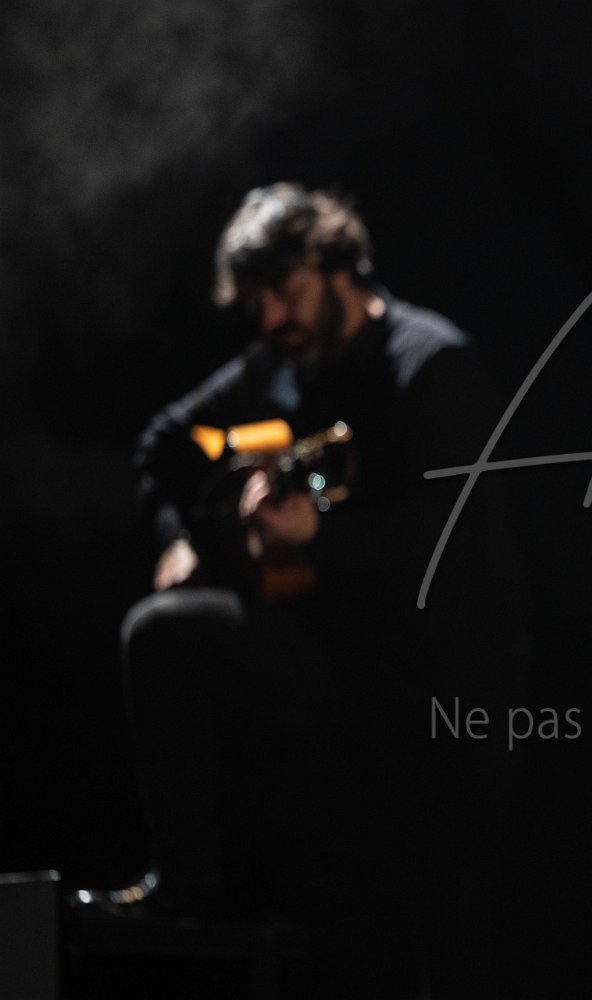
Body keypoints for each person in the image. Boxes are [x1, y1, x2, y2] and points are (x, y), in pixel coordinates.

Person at [72, 181, 526, 997]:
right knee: (160, 630)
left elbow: (460, 545)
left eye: (285, 292)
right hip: (339, 664)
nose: (272, 316)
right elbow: (163, 445)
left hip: (447, 688)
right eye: (257, 303)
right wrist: (179, 540)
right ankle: (184, 887)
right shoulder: (281, 365)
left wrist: (321, 536)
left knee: (448, 934)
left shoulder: (430, 365)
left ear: (335, 266)